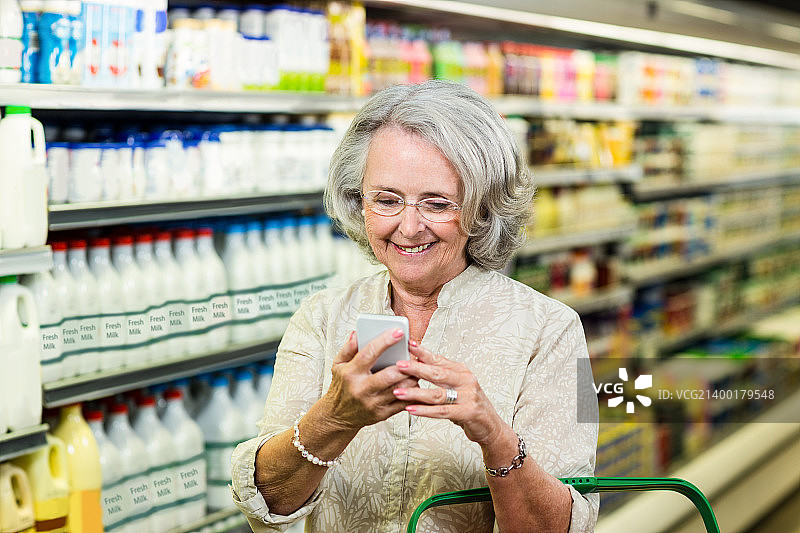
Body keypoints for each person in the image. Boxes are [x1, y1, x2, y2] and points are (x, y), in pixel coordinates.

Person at [231, 79, 599, 533]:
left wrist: (494, 434)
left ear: (483, 209)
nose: (408, 227)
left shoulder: (555, 330)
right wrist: (335, 418)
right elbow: (266, 501)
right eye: (386, 200)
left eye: (437, 204)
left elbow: (563, 526)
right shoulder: (321, 318)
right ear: (358, 201)